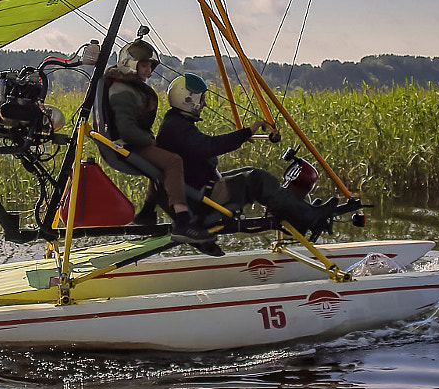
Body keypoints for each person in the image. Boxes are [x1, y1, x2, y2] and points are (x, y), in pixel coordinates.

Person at [156, 73, 340, 241]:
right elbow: (211, 146)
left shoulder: (174, 123)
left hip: (199, 189)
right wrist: (247, 132)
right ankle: (309, 217)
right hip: (200, 198)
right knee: (257, 180)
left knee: (251, 172)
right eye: (202, 99)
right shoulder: (177, 128)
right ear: (188, 100)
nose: (204, 104)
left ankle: (298, 213)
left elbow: (203, 148)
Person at [102, 39, 216, 244]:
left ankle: (146, 213)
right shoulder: (122, 91)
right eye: (144, 65)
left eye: (150, 66)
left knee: (163, 160)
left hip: (132, 142)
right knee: (173, 161)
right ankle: (183, 221)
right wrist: (149, 141)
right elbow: (127, 130)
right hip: (127, 144)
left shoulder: (128, 87)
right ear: (130, 64)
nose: (149, 70)